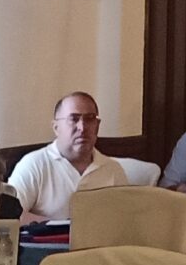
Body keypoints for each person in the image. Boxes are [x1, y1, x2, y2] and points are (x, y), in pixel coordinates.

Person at [7, 92, 129, 221]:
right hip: (47, 234)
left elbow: (125, 218)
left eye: (89, 119)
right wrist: (64, 227)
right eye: (74, 119)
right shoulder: (34, 165)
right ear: (56, 127)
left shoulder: (113, 169)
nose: (82, 127)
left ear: (97, 125)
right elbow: (11, 214)